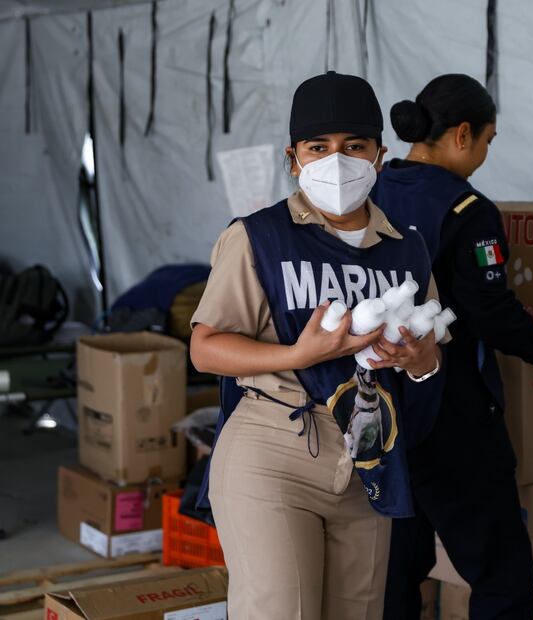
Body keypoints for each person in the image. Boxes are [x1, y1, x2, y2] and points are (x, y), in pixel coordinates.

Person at [190, 72, 446, 620]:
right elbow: (206, 348)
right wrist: (298, 355)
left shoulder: (407, 250)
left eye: (354, 146)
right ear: (294, 158)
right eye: (319, 148)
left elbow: (429, 355)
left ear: (379, 155)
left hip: (368, 455)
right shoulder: (258, 236)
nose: (337, 161)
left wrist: (419, 361)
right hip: (273, 448)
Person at [372, 74, 533, 619]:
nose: (484, 154)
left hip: (381, 411)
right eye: (487, 141)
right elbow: (488, 308)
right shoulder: (467, 210)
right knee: (502, 577)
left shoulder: (370, 192)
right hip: (452, 413)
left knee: (393, 576)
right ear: (462, 135)